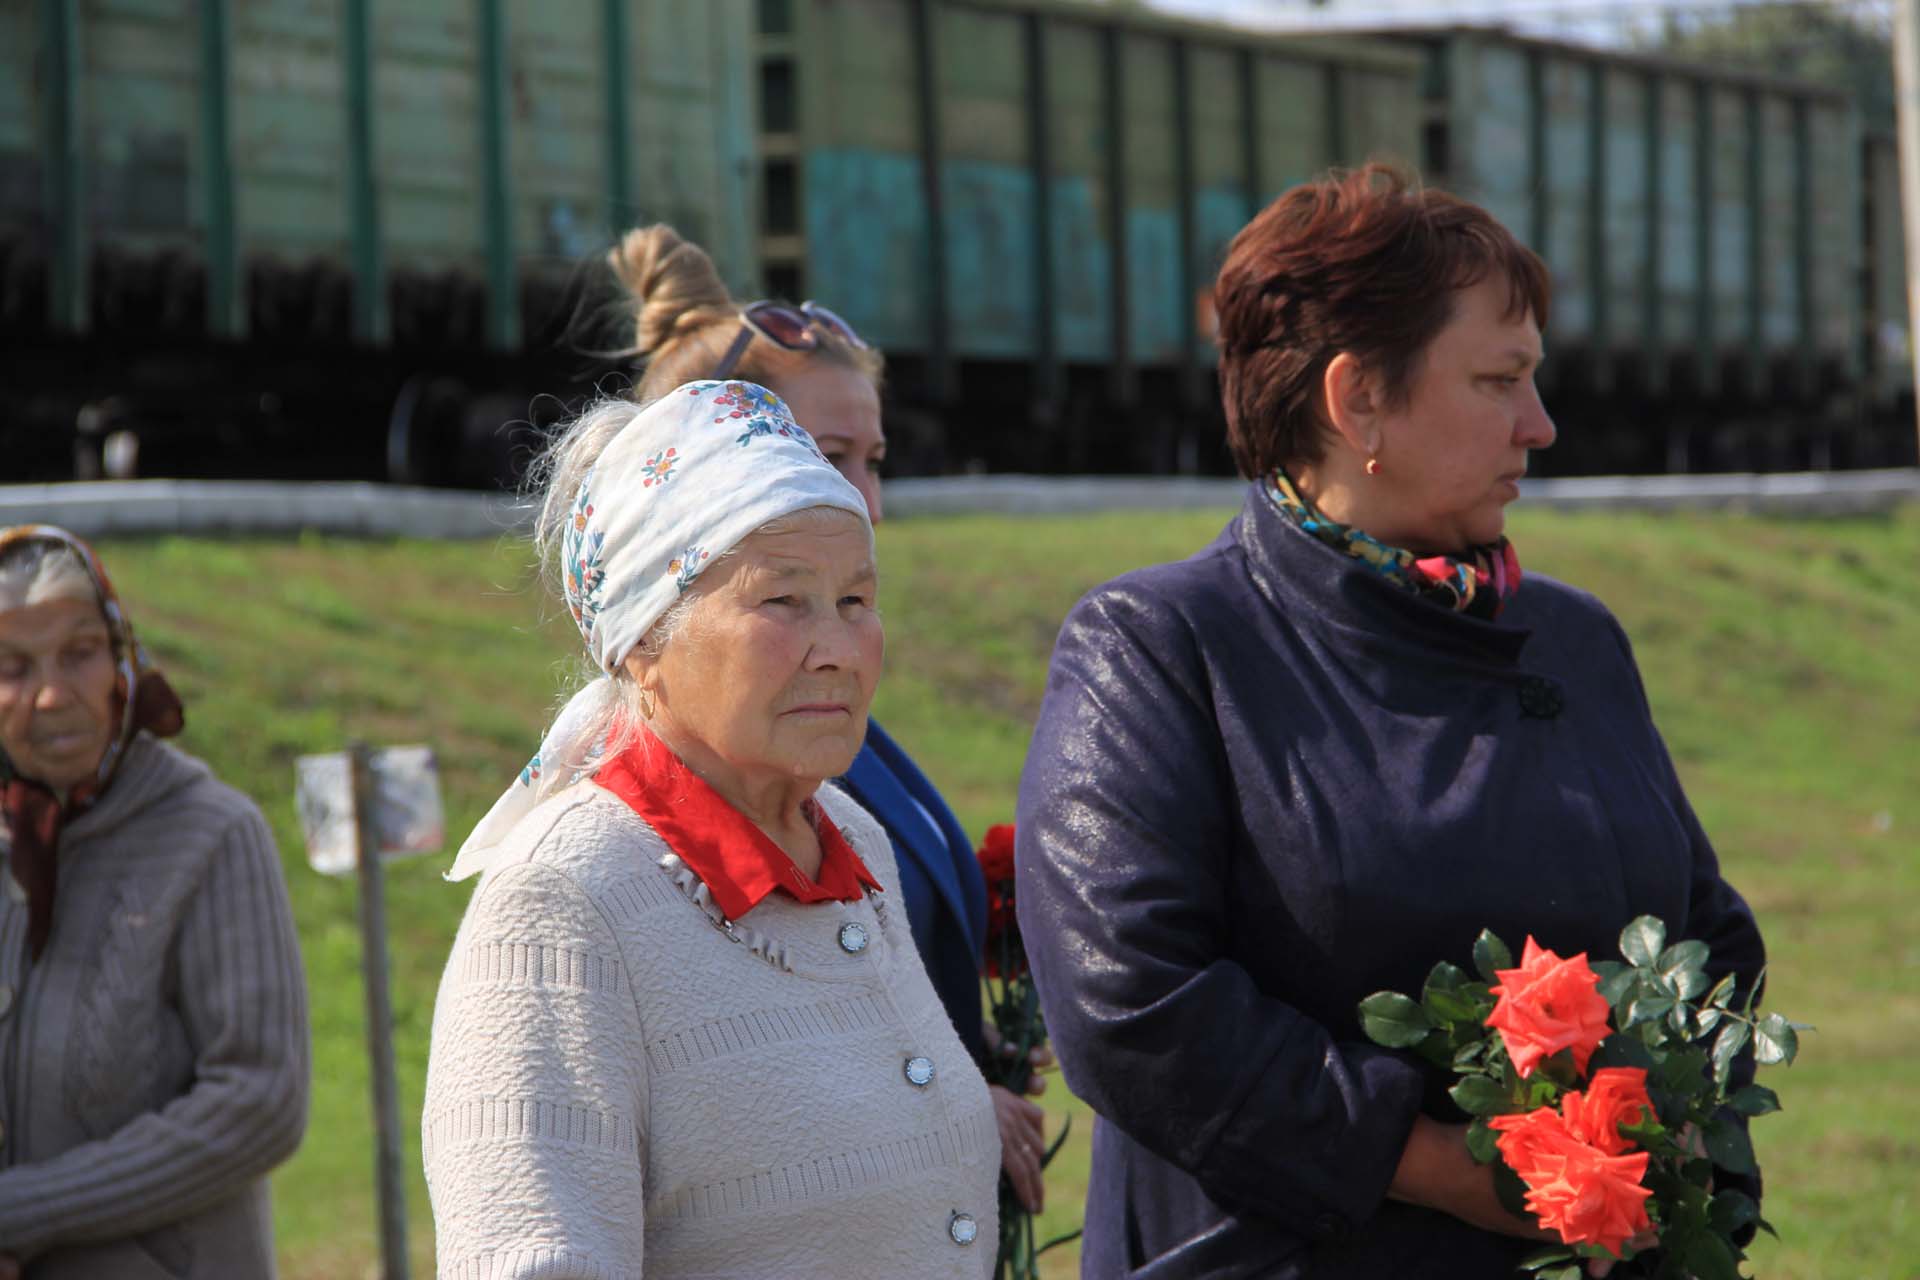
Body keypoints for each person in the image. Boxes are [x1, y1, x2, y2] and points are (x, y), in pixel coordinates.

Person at [1013, 166, 1767, 1278]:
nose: (1542, 424)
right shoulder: (1161, 647)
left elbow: (1711, 938)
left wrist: (1675, 1150)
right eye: (1500, 379)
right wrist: (1428, 1160)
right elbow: (1133, 1003)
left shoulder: (1576, 641)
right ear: (1358, 396)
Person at [423, 381, 1000, 1277]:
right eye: (783, 602)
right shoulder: (565, 905)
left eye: (855, 601)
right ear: (646, 641)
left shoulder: (854, 842)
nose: (837, 647)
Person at [595, 224, 1049, 1211]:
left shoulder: (833, 718)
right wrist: (965, 1101)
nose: (866, 499)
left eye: (873, 458)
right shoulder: (719, 760)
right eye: (827, 453)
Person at [0, 525, 309, 1279]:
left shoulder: (210, 836)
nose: (50, 694)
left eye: (78, 653)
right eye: (11, 667)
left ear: (120, 661)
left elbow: (259, 1099)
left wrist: (25, 1210)